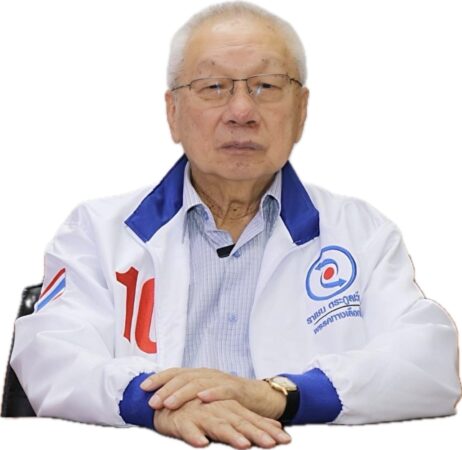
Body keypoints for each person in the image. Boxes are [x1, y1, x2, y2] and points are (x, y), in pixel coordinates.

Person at [11, 1, 461, 449]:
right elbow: (48, 358)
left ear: (302, 110)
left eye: (267, 85)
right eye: (213, 87)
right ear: (172, 112)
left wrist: (278, 396)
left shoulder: (362, 233)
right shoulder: (96, 232)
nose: (242, 110)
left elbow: (431, 364)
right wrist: (160, 405)